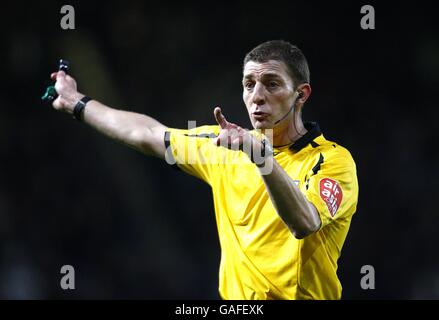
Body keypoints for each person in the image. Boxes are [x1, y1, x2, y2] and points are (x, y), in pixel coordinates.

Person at [48, 40, 358, 300]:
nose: (257, 96)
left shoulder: (332, 161)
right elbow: (149, 134)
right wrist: (77, 102)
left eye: (272, 83)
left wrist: (260, 157)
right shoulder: (227, 148)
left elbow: (305, 223)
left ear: (301, 95)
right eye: (249, 84)